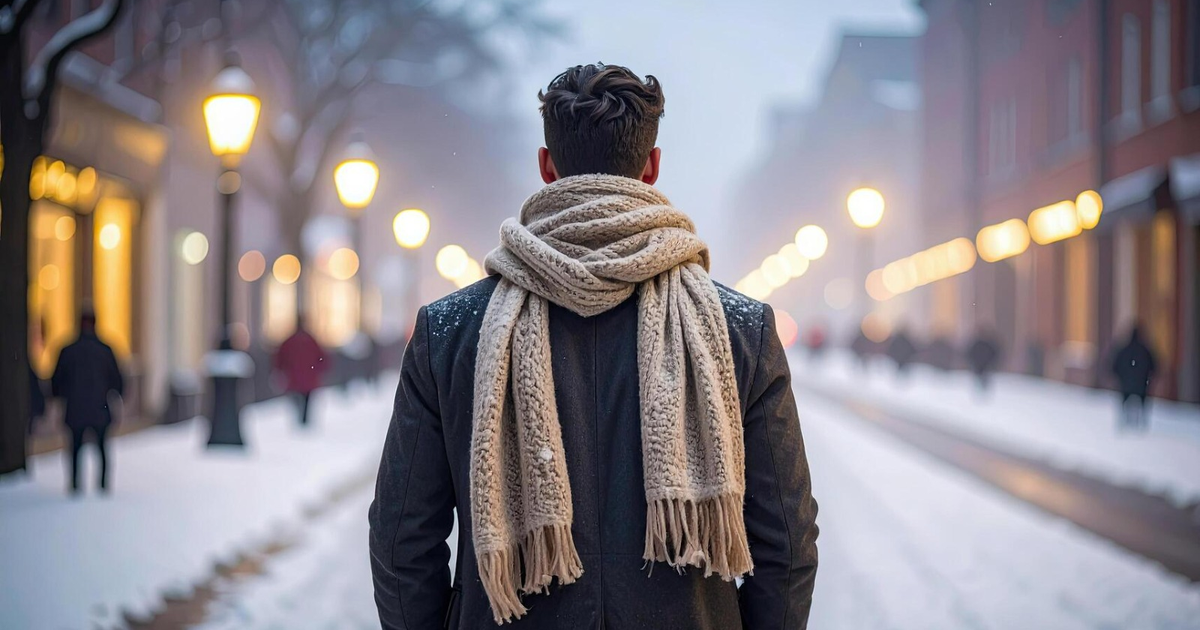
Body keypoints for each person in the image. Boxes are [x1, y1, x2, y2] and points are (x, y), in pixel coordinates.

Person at [369, 64, 818, 629]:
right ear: (652, 167)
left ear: (547, 167)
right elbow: (788, 543)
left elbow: (401, 540)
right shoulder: (739, 328)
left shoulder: (451, 330)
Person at [51, 311, 123, 495]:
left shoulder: (68, 350)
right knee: (101, 447)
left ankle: (75, 483)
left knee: (75, 448)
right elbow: (117, 380)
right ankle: (103, 484)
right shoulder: (105, 350)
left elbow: (56, 381)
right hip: (100, 407)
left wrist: (59, 398)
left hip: (75, 408)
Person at [274, 316, 328, 427]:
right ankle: (304, 420)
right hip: (308, 378)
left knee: (297, 398)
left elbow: (280, 358)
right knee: (306, 400)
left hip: (295, 378)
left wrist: (280, 370)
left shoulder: (290, 342)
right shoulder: (311, 341)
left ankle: (301, 419)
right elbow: (321, 358)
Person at [1111, 326, 1157, 430]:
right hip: (1141, 383)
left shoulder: (1123, 349)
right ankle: (1142, 420)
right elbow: (1154, 365)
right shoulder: (1145, 350)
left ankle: (1125, 419)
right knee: (1142, 402)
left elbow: (1114, 365)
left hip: (1126, 383)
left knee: (1124, 401)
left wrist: (1120, 377)